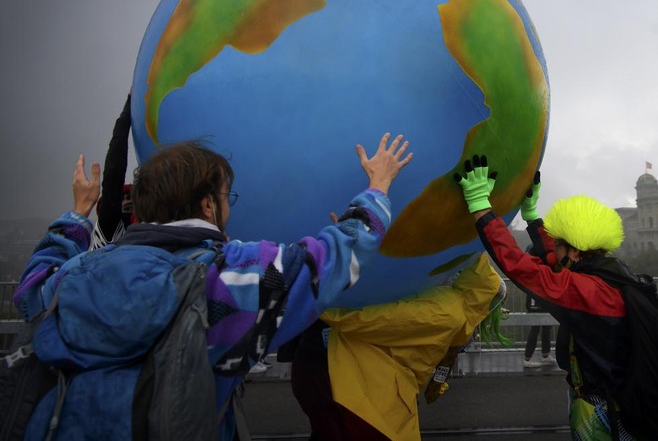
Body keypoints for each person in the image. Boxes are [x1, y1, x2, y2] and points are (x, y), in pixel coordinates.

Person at [13, 133, 412, 440]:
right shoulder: (222, 280)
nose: (228, 206)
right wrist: (378, 187)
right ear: (207, 206)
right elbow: (332, 259)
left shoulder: (80, 271)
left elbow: (31, 289)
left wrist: (78, 214)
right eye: (226, 196)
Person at [454, 156, 638, 439]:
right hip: (619, 398)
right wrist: (531, 216)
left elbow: (521, 266)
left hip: (605, 409)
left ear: (575, 252)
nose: (555, 250)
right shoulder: (610, 274)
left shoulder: (587, 291)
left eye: (561, 244)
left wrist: (481, 206)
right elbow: (554, 257)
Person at [314, 253, 504, 440]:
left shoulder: (446, 311)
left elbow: (384, 321)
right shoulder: (460, 315)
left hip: (373, 394)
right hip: (390, 392)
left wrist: (329, 310)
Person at [92, 93, 134, 248]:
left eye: (132, 197)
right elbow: (114, 173)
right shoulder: (110, 230)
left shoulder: (151, 234)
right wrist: (128, 109)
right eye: (123, 197)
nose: (128, 200)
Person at [523, 290, 554, 368]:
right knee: (535, 330)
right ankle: (527, 359)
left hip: (543, 304)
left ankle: (545, 355)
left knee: (546, 329)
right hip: (537, 304)